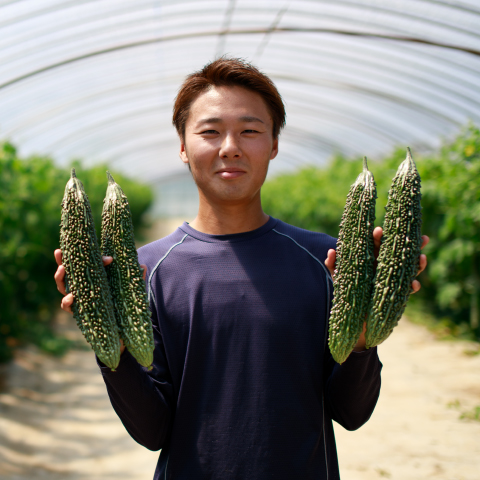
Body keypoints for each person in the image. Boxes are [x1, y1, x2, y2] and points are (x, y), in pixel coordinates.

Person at [54, 57, 428, 480]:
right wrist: (111, 344)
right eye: (210, 131)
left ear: (273, 145)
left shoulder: (327, 261)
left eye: (250, 130)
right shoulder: (146, 272)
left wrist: (365, 337)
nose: (230, 145)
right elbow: (153, 430)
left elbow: (351, 413)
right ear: (182, 146)